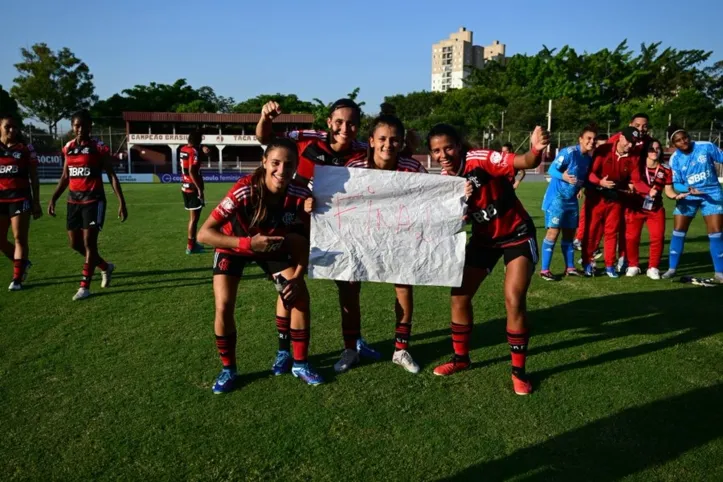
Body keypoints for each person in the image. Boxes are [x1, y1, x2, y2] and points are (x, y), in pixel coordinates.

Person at [256, 99, 382, 373]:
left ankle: (353, 344)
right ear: (328, 122)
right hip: (296, 224)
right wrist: (266, 117)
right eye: (339, 121)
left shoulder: (364, 149)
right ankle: (283, 351)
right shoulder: (305, 139)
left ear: (359, 127)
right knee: (289, 287)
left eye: (351, 123)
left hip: (341, 230)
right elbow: (266, 139)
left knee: (350, 288)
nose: (345, 128)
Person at [426, 123, 550, 395]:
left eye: (447, 147)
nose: (443, 154)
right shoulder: (446, 181)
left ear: (458, 145)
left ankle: (519, 372)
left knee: (513, 299)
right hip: (485, 240)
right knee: (459, 295)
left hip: (517, 235)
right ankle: (461, 359)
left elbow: (524, 161)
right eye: (436, 150)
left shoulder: (480, 159)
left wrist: (536, 151)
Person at [197, 137, 323, 393]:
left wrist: (297, 278)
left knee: (299, 297)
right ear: (264, 162)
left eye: (288, 165)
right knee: (223, 305)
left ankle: (298, 363)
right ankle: (228, 369)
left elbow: (303, 242)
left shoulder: (300, 195)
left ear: (296, 167)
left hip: (272, 246)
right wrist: (246, 244)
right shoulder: (245, 190)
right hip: (235, 244)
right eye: (275, 163)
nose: (281, 171)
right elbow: (204, 234)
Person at [344, 114, 427, 374]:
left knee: (404, 287)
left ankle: (401, 349)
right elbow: (333, 195)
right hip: (361, 237)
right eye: (382, 139)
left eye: (394, 140)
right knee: (349, 286)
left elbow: (434, 197)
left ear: (402, 143)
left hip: (399, 238)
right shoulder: (353, 166)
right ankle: (350, 348)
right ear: (371, 141)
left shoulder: (412, 168)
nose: (387, 145)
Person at [48, 110, 127, 300]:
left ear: (90, 126)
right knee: (75, 244)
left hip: (94, 201)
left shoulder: (98, 148)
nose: (80, 129)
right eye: (77, 125)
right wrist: (54, 198)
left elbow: (111, 175)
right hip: (73, 201)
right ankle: (105, 267)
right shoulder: (68, 148)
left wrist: (121, 203)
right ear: (73, 127)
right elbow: (65, 176)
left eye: (84, 125)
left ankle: (84, 286)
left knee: (89, 243)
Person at [662, 126, 723, 282]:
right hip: (689, 196)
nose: (684, 141)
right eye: (679, 140)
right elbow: (676, 183)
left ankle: (719, 273)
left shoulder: (706, 146)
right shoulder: (675, 159)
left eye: (685, 137)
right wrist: (688, 189)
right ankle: (672, 269)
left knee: (716, 232)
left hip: (712, 195)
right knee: (678, 230)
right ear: (673, 144)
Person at [539, 125, 596, 280]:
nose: (591, 141)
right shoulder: (569, 153)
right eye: (588, 138)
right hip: (557, 198)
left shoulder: (588, 159)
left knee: (569, 234)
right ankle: (544, 270)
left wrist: (582, 188)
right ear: (581, 139)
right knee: (553, 232)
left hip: (571, 200)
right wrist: (564, 177)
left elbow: (582, 179)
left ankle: (570, 267)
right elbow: (551, 170)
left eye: (593, 139)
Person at [581, 126, 640, 278]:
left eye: (633, 143)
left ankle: (609, 265)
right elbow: (591, 173)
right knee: (591, 231)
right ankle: (587, 262)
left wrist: (633, 184)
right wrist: (600, 182)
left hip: (616, 199)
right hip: (596, 198)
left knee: (611, 232)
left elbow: (634, 177)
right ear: (620, 137)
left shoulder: (633, 157)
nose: (630, 145)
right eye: (628, 141)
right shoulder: (604, 150)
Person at [625, 139, 682, 279]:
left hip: (655, 209)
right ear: (645, 151)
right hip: (636, 208)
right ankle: (633, 265)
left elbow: (668, 191)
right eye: (651, 149)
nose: (654, 151)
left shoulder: (666, 169)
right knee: (632, 238)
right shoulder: (637, 167)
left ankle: (653, 267)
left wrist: (677, 196)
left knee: (657, 238)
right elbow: (631, 184)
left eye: (657, 148)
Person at [0, 113, 41, 290]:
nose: (11, 129)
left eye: (14, 127)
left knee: (19, 237)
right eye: (7, 126)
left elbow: (34, 176)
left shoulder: (25, 148)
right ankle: (23, 263)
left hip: (20, 198)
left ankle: (17, 279)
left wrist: (36, 201)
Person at [180, 131, 205, 254]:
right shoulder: (193, 152)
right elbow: (191, 171)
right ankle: (190, 246)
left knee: (193, 218)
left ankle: (193, 243)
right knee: (194, 219)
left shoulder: (183, 149)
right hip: (192, 188)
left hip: (185, 186)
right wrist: (199, 188)